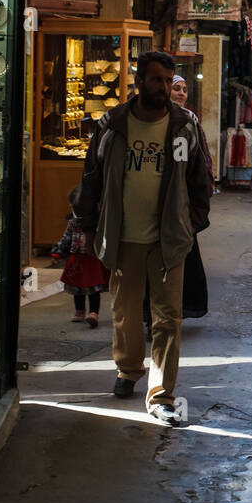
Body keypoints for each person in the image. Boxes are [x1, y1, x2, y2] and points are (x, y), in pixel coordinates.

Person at [76, 50, 212, 425]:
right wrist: (87, 226)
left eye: (169, 81)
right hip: (123, 237)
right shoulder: (114, 124)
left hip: (169, 239)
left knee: (168, 317)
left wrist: (192, 222)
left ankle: (161, 393)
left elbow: (201, 177)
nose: (165, 88)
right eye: (157, 80)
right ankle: (127, 369)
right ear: (140, 82)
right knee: (125, 312)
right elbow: (92, 176)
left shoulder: (184, 125)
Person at [140, 73, 213, 336]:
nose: (181, 93)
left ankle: (166, 316)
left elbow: (200, 165)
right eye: (176, 88)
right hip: (147, 209)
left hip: (179, 208)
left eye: (184, 89)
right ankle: (152, 317)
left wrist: (196, 210)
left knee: (175, 264)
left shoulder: (189, 121)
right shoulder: (142, 120)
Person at [51, 185, 110, 328]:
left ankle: (93, 312)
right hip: (77, 257)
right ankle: (80, 310)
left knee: (93, 287)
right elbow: (67, 237)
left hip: (91, 258)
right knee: (77, 287)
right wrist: (59, 250)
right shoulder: (73, 222)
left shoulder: (96, 222)